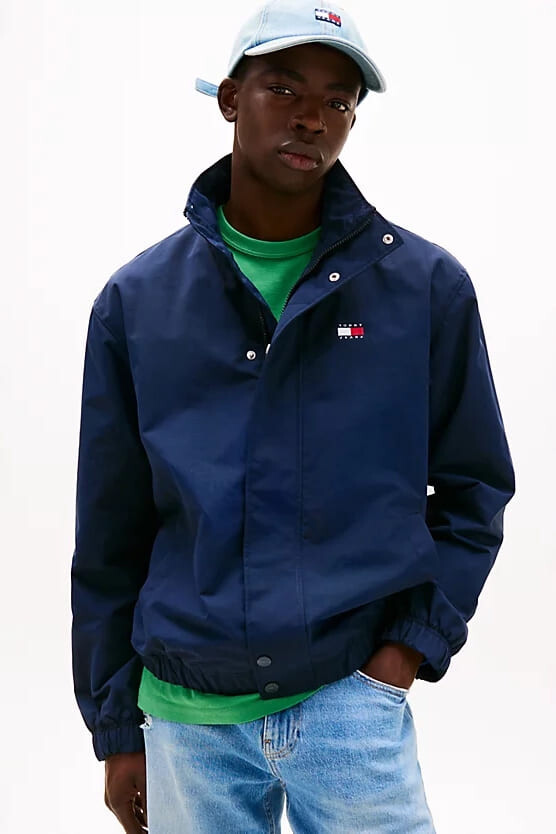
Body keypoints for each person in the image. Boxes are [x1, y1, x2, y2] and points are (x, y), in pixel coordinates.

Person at [70, 1, 516, 832]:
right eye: (283, 87)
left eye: (338, 100)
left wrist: (400, 658)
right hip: (185, 722)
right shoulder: (136, 302)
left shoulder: (424, 289)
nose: (313, 117)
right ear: (229, 98)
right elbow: (110, 531)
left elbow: (474, 492)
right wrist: (116, 730)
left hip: (350, 702)